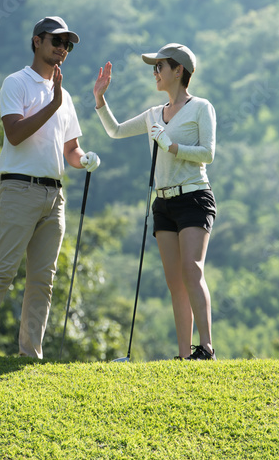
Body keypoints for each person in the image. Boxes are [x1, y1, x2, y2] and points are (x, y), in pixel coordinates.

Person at [0, 16, 101, 359]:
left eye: (67, 44)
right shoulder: (17, 83)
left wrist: (84, 159)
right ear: (37, 41)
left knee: (43, 279)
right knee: (2, 271)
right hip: (18, 189)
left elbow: (70, 149)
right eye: (56, 41)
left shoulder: (64, 97)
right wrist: (51, 104)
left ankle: (31, 354)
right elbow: (15, 133)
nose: (62, 48)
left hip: (54, 196)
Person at [92, 43, 218, 360]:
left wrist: (171, 145)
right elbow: (116, 131)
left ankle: (206, 348)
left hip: (194, 197)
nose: (155, 72)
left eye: (160, 66)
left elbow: (208, 154)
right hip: (163, 204)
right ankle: (185, 356)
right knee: (175, 281)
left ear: (179, 71)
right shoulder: (152, 115)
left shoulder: (201, 107)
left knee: (192, 271)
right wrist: (100, 100)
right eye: (154, 67)